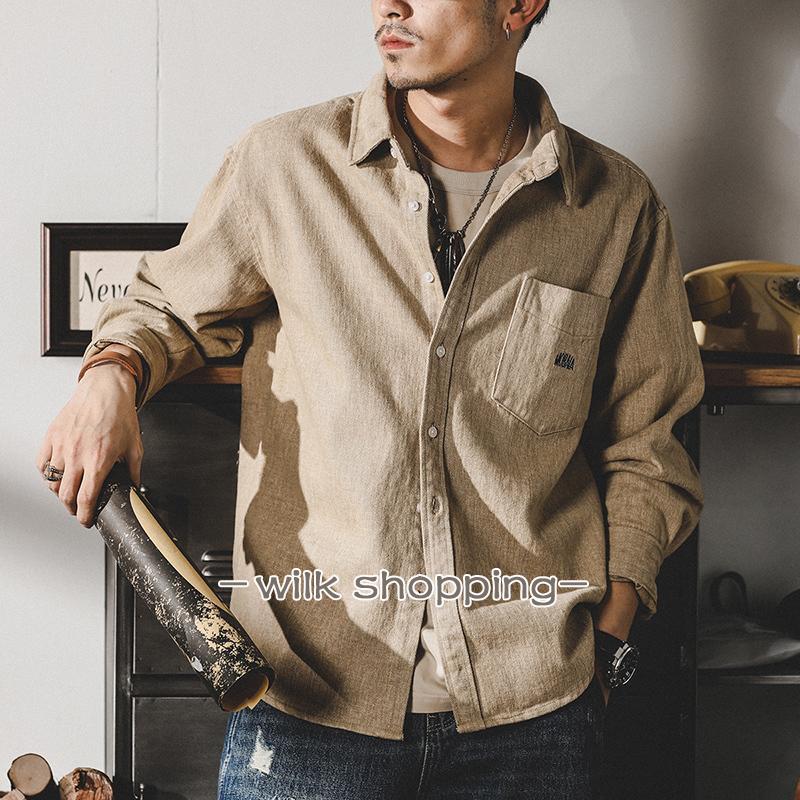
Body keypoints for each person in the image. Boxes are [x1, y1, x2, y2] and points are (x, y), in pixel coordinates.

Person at [36, 1, 705, 797]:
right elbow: (163, 307)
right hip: (304, 709)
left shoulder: (616, 207)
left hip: (535, 722)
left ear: (519, 6)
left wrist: (611, 634)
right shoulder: (286, 165)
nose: (391, 4)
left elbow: (648, 445)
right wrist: (110, 375)